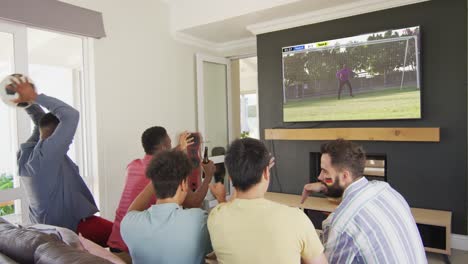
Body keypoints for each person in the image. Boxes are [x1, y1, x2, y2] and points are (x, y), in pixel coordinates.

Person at [11, 76, 112, 246]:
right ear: (56, 133)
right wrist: (35, 96)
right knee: (125, 237)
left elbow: (40, 122)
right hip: (70, 229)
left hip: (48, 229)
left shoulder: (27, 155)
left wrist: (26, 102)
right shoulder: (48, 157)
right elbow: (71, 115)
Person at [301, 139, 426, 264]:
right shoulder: (386, 190)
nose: (319, 177)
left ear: (345, 176)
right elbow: (352, 199)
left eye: (325, 171)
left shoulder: (342, 225)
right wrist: (325, 186)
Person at [208, 138, 327, 264]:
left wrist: (222, 197)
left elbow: (232, 203)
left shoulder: (216, 217)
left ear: (231, 179)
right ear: (266, 172)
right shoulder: (296, 218)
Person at [107, 127, 212, 253]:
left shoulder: (133, 165)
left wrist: (180, 148)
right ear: (163, 147)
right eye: (169, 142)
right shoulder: (166, 172)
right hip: (131, 250)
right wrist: (209, 176)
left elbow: (162, 160)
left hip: (116, 242)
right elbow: (193, 202)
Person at [121, 150, 226, 264]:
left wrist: (158, 179)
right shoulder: (198, 220)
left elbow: (131, 212)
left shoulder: (129, 224)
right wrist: (221, 199)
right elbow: (226, 237)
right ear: (183, 184)